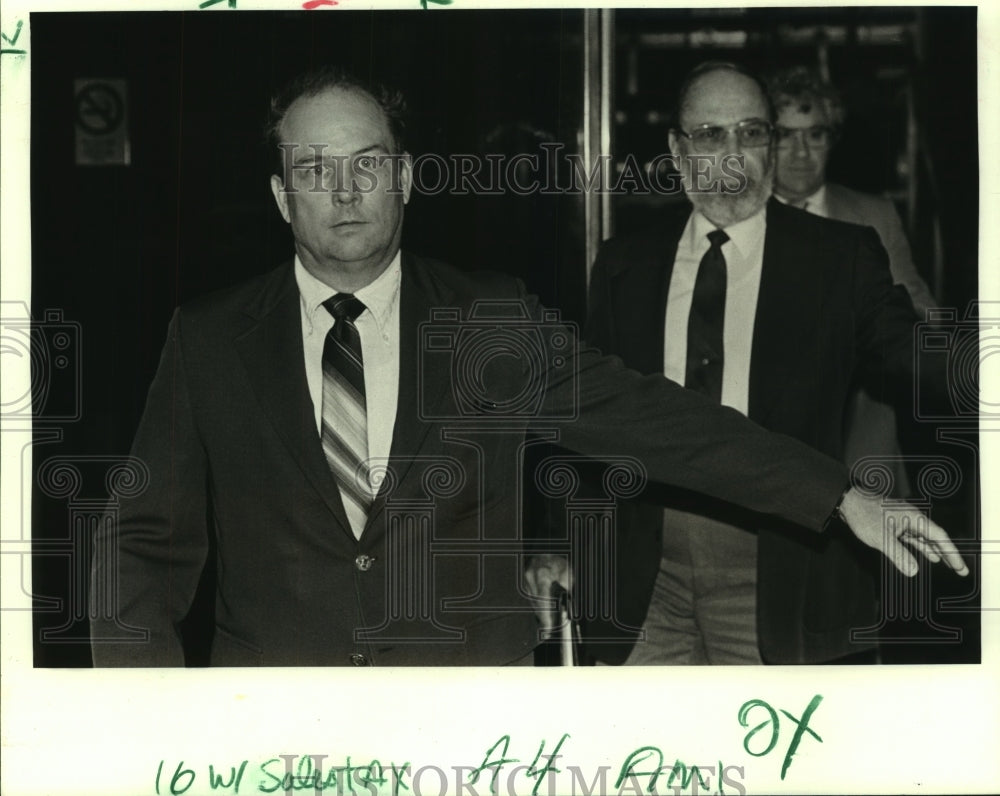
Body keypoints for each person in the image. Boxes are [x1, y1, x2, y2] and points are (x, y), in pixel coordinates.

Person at [89, 65, 966, 667]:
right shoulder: (207, 339)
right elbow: (141, 543)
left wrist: (841, 495)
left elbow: (657, 421)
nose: (345, 191)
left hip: (471, 720)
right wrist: (143, 720)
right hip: (278, 730)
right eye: (315, 169)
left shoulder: (487, 318)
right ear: (282, 195)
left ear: (407, 179)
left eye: (368, 165)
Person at [540, 61, 960, 666]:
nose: (733, 156)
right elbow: (588, 419)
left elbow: (914, 352)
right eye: (710, 136)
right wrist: (559, 543)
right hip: (644, 579)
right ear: (677, 150)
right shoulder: (624, 264)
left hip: (783, 573)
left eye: (752, 133)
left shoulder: (837, 259)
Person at [767, 65, 936, 498]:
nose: (801, 152)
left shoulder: (875, 215)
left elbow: (923, 316)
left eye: (816, 134)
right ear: (763, 141)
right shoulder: (742, 220)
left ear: (833, 139)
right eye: (786, 136)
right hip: (765, 444)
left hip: (862, 441)